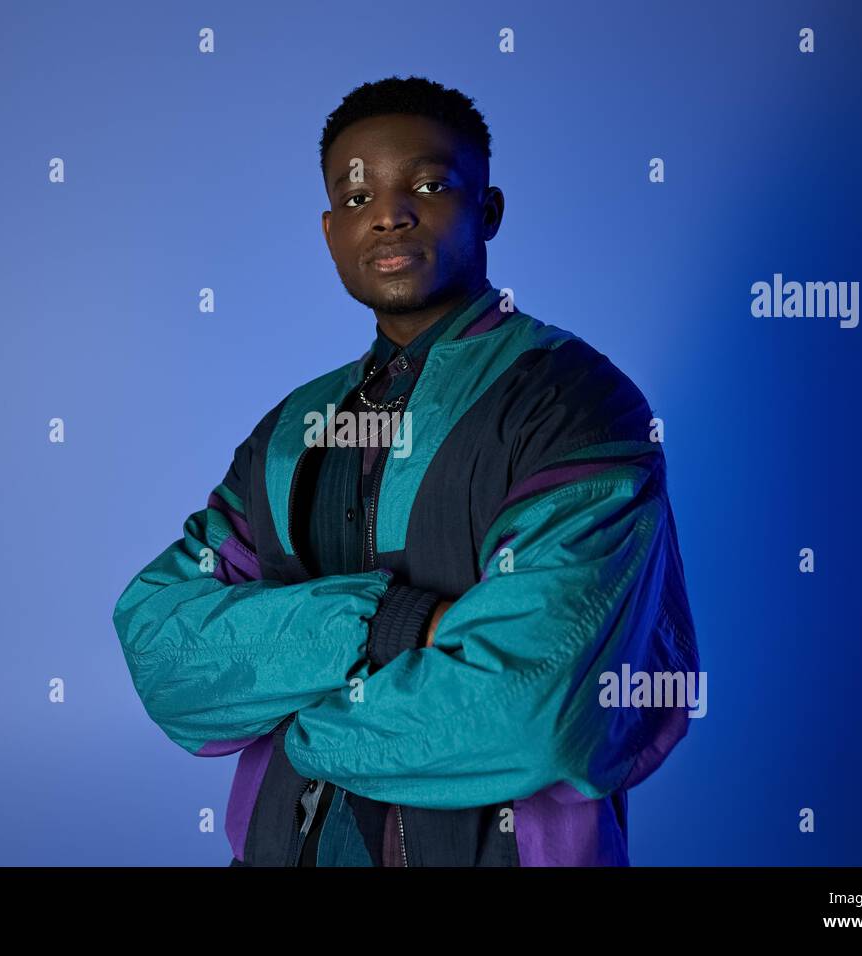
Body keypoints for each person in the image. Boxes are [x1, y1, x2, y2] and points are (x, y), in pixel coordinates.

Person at [112, 74, 699, 866]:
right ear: (328, 231)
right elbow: (164, 651)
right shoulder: (291, 430)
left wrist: (295, 721)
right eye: (356, 199)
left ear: (487, 210)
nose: (387, 213)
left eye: (426, 185)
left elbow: (536, 713)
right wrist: (392, 622)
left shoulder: (574, 403)